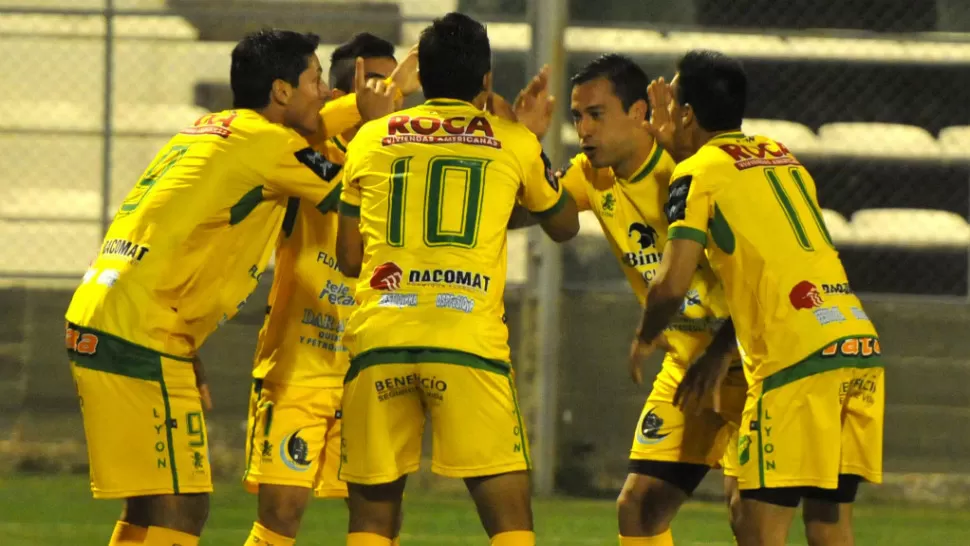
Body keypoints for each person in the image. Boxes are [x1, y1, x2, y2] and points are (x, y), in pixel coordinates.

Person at [65, 29, 400, 546]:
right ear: (282, 91)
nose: (325, 94)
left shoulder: (211, 129)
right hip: (141, 332)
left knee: (152, 504)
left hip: (114, 317)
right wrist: (375, 123)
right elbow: (356, 192)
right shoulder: (272, 145)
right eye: (316, 81)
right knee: (181, 508)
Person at [335, 12, 579, 546]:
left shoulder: (370, 139)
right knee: (510, 525)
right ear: (486, 81)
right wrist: (531, 143)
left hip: (381, 338)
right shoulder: (512, 141)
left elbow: (350, 258)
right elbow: (563, 225)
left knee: (371, 525)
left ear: (420, 76)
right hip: (466, 342)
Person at [630, 49, 884, 546]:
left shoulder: (698, 173)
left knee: (756, 526)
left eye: (674, 104)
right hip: (854, 344)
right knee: (828, 525)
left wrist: (645, 335)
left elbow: (672, 283)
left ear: (685, 113)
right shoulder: (783, 159)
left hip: (794, 362)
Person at [555, 53, 746, 546]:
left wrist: (708, 349)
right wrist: (517, 145)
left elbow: (759, 278)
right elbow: (533, 212)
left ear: (640, 112)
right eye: (577, 117)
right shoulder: (591, 175)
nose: (583, 130)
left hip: (750, 363)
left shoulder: (688, 168)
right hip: (687, 368)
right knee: (638, 510)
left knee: (750, 519)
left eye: (596, 115)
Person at [241, 33, 407, 546]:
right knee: (281, 515)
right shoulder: (304, 151)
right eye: (379, 86)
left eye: (396, 88)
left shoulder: (404, 163)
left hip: (369, 367)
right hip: (299, 367)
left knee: (377, 520)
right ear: (341, 94)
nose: (392, 98)